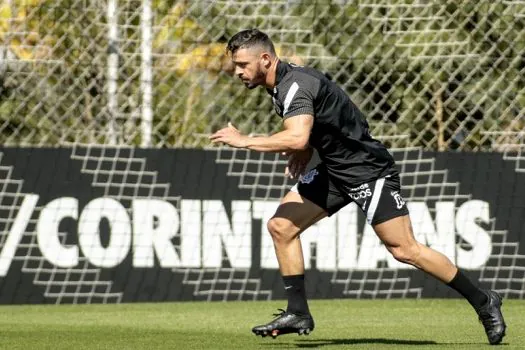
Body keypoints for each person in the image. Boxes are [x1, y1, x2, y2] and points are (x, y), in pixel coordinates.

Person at [209, 28, 506, 345]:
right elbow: (313, 130)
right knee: (281, 226)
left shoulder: (295, 84)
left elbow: (296, 134)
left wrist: (246, 141)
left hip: (368, 170)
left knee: (404, 250)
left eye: (242, 64)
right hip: (336, 171)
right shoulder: (281, 86)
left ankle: (483, 301)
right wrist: (302, 153)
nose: (237, 71)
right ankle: (298, 312)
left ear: (265, 59)